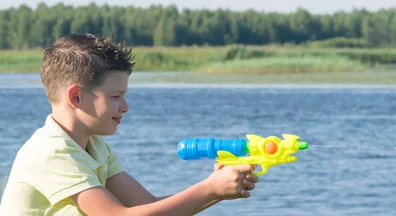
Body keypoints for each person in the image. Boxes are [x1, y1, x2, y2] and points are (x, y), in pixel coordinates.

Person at [0, 33, 259, 216]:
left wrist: (217, 189)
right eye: (116, 97)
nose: (125, 107)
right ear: (76, 97)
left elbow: (147, 205)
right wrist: (209, 189)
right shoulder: (51, 153)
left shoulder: (95, 147)